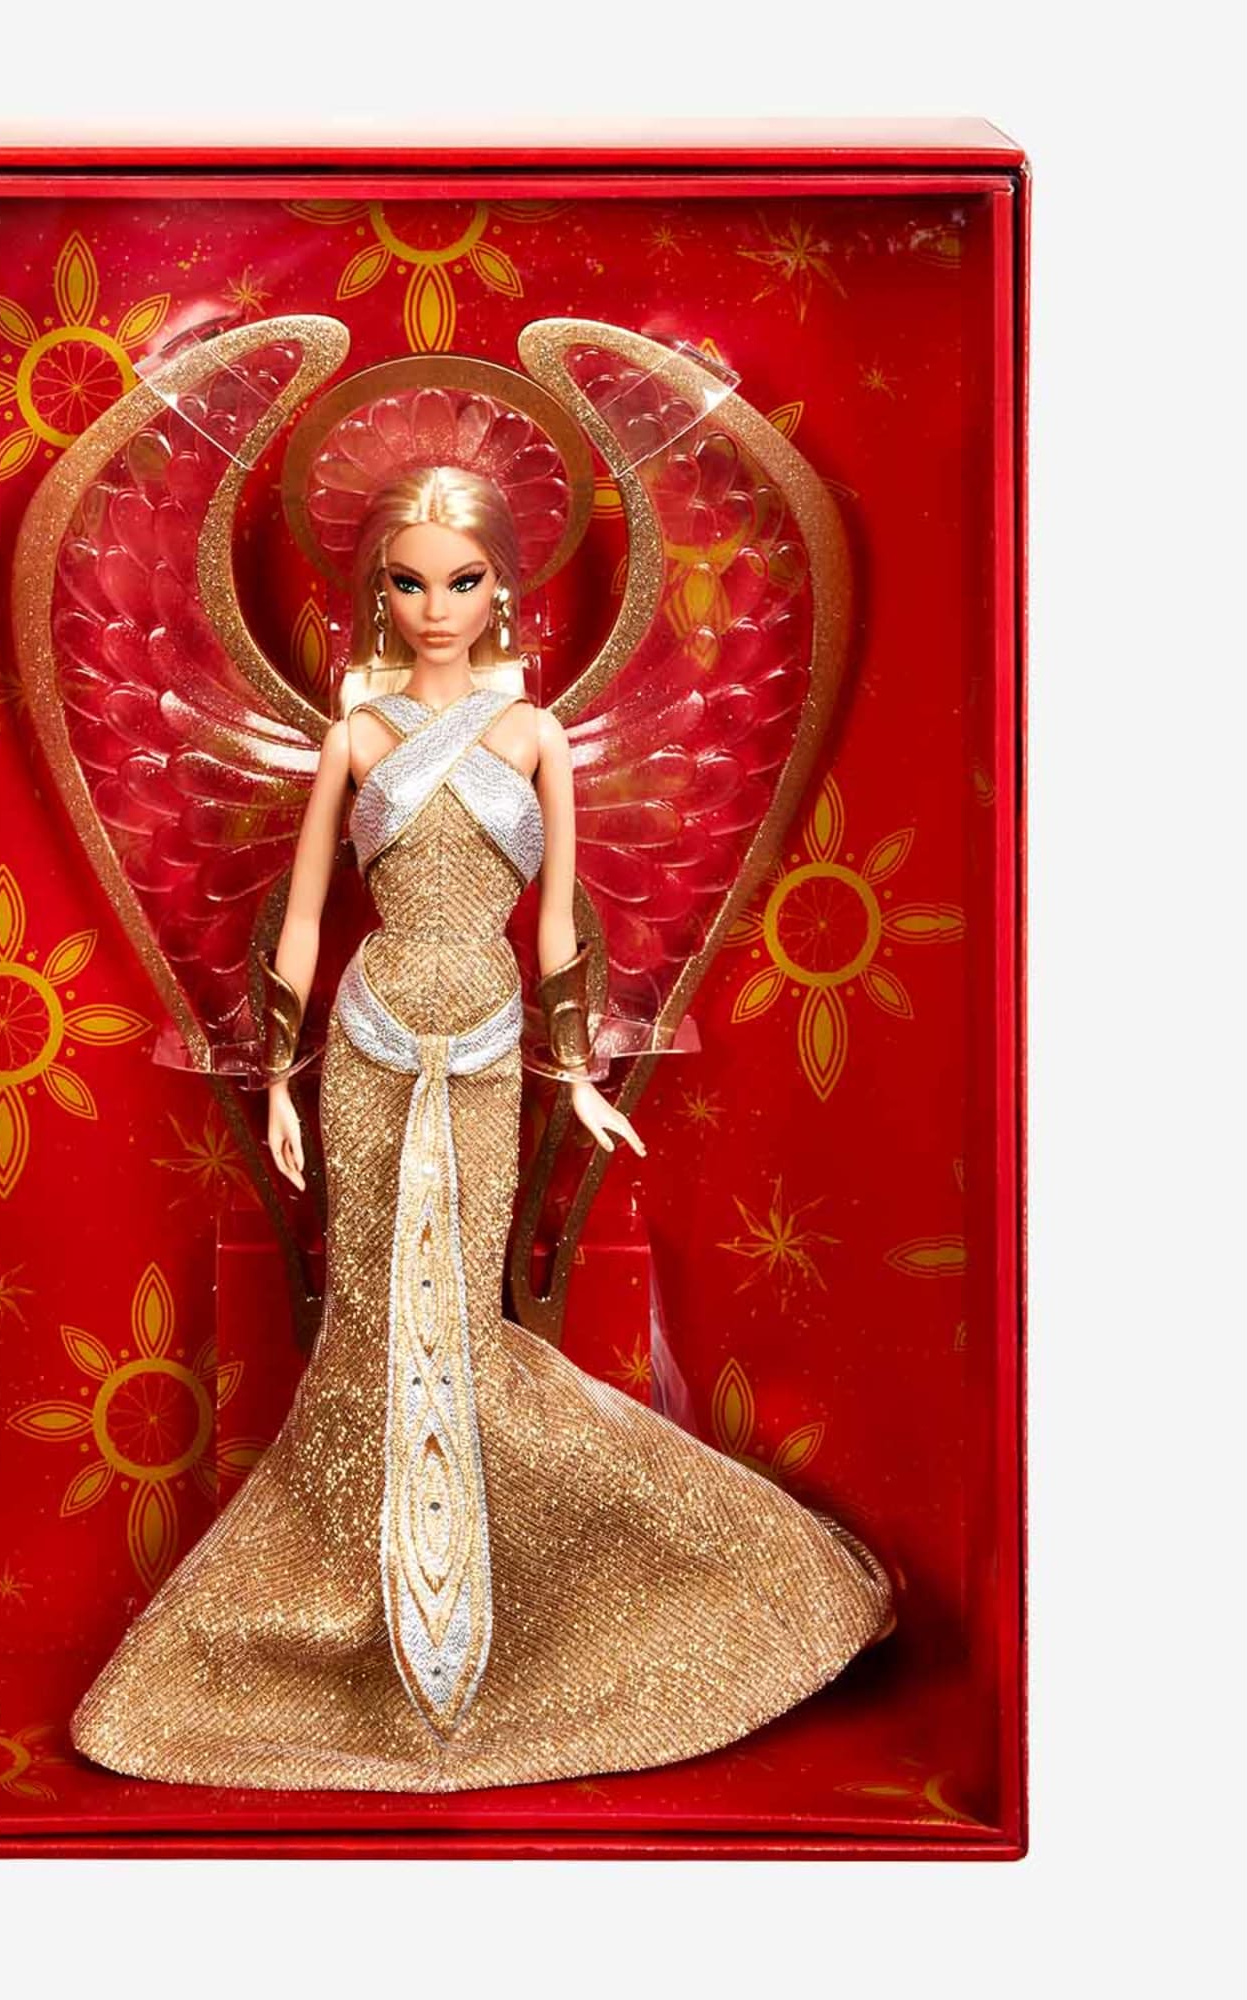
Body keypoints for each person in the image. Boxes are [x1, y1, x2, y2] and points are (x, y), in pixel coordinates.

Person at [67, 458, 892, 1792]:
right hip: (371, 1040)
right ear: (378, 595)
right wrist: (274, 1080)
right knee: (368, 1325)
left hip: (495, 1046)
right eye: (409, 583)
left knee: (457, 1319)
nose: (435, 607)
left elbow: (559, 925)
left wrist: (577, 1074)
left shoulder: (535, 737)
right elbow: (301, 916)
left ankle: (518, 1615)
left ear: (502, 589)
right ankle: (341, 1627)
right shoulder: (356, 738)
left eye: (461, 582)